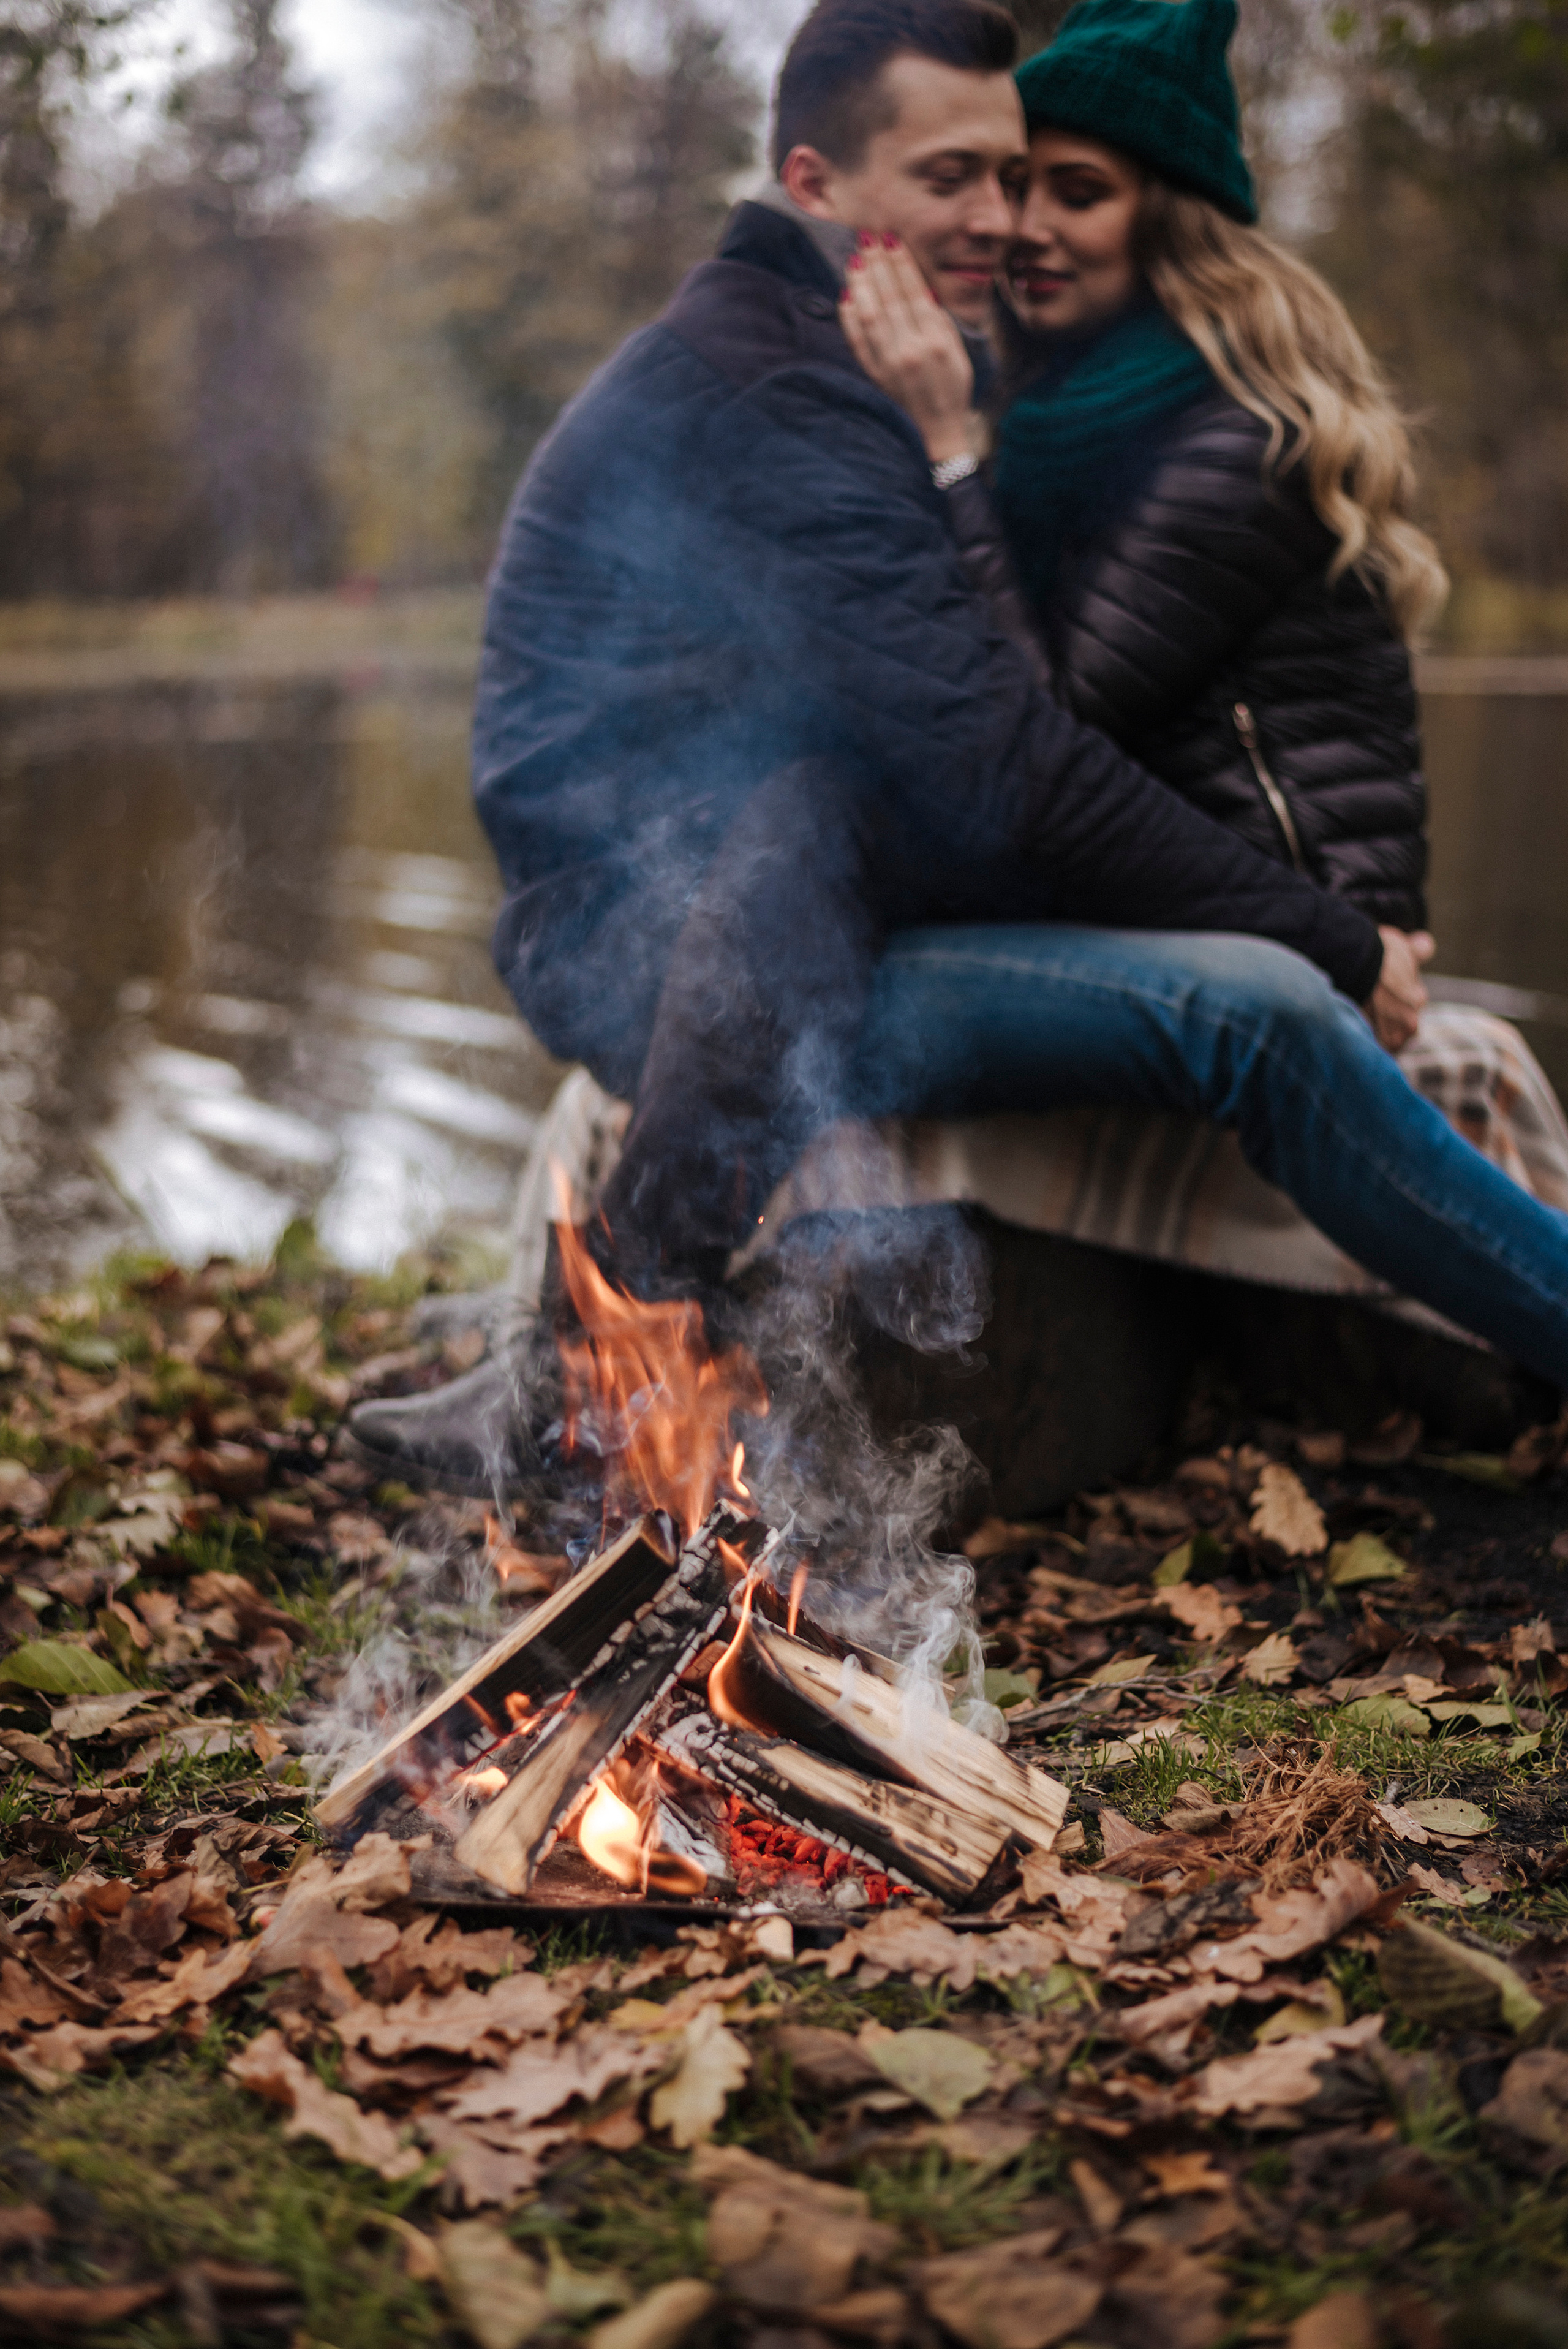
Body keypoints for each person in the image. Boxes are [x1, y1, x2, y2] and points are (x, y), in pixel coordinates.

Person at [345, 0, 1568, 1501]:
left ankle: (578, 1353)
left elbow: (972, 750)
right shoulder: (790, 386)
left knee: (1251, 1006)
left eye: (1018, 174)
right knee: (1262, 1010)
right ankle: (586, 1368)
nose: (996, 219)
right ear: (813, 183)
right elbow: (1005, 766)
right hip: (685, 964)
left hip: (797, 922)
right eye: (953, 180)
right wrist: (1325, 930)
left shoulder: (866, 356)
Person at [839, 0, 1568, 1220]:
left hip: (1285, 951)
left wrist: (948, 455)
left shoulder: (1237, 444)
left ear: (1165, 219)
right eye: (1014, 187)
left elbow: (1041, 731)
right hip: (1152, 911)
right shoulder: (1059, 416)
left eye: (1075, 193)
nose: (1023, 227)